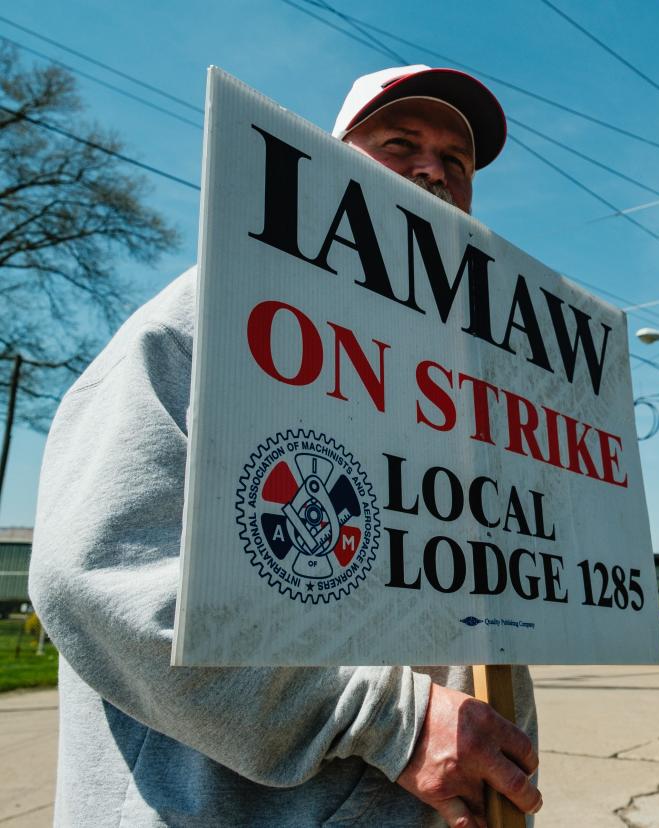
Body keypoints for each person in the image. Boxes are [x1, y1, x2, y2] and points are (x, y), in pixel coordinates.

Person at [30, 65, 539, 828]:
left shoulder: (457, 388)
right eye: (399, 145)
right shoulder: (211, 315)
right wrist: (390, 723)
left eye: (456, 162)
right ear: (326, 161)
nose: (434, 170)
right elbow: (99, 576)